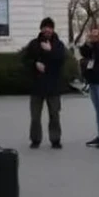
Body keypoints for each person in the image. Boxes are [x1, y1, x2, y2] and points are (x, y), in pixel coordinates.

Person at [23, 17, 67, 149]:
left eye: (50, 27)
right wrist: (35, 64)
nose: (47, 29)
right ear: (41, 29)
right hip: (36, 86)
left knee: (54, 114)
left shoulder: (58, 45)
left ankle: (55, 139)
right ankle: (35, 139)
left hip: (53, 86)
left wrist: (50, 51)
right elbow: (24, 60)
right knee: (35, 116)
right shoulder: (33, 44)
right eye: (45, 27)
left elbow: (61, 61)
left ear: (53, 29)